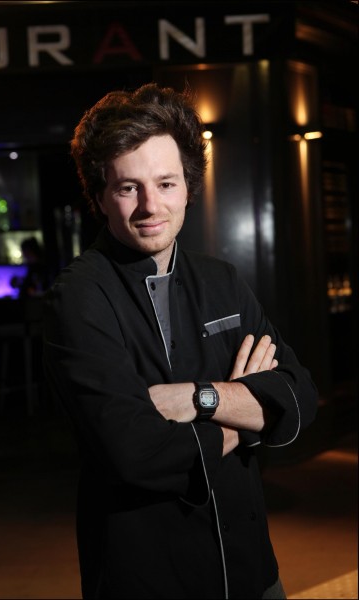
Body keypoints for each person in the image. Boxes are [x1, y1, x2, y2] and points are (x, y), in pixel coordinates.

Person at [43, 83, 318, 599]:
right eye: (128, 188)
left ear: (189, 187)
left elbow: (299, 396)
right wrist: (245, 418)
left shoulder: (222, 281)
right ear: (99, 196)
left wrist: (199, 397)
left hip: (254, 572)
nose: (150, 206)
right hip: (149, 577)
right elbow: (135, 454)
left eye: (166, 183)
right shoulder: (79, 298)